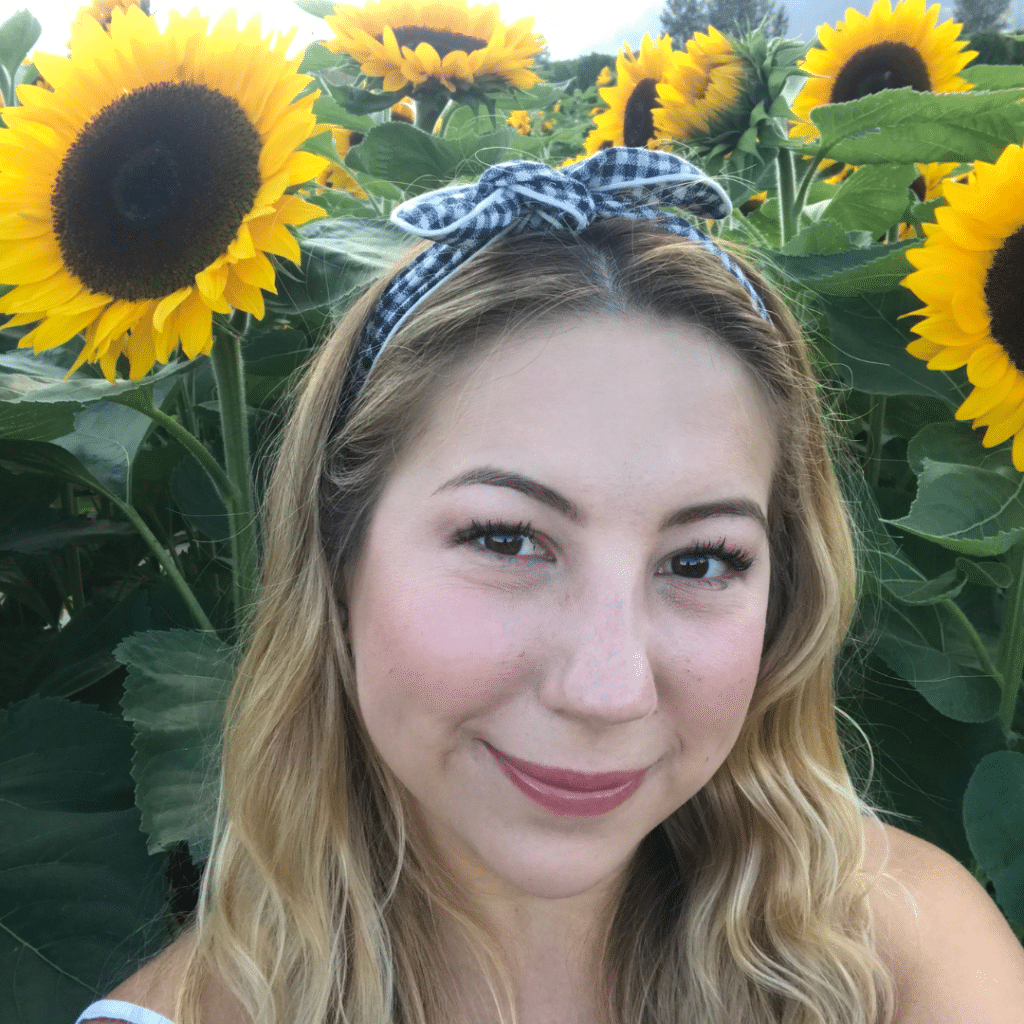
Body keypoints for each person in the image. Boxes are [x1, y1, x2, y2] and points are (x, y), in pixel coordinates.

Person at [76, 148, 1024, 1024]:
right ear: (337, 554)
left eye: (700, 561)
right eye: (506, 538)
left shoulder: (901, 954)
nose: (607, 690)